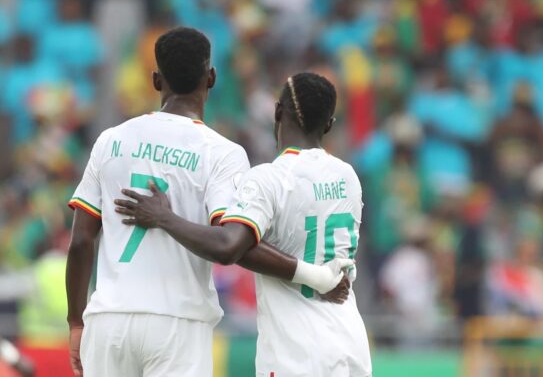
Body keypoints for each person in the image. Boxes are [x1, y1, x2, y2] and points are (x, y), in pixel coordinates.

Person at [65, 27, 352, 377]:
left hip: (108, 320)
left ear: (156, 80)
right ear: (211, 78)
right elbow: (231, 244)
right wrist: (316, 276)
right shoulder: (223, 153)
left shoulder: (110, 140)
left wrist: (75, 322)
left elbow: (81, 241)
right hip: (178, 324)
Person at [115, 72, 372, 376]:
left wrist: (165, 217)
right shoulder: (348, 177)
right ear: (329, 124)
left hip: (297, 350)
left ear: (278, 112)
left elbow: (231, 246)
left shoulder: (270, 178)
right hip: (351, 343)